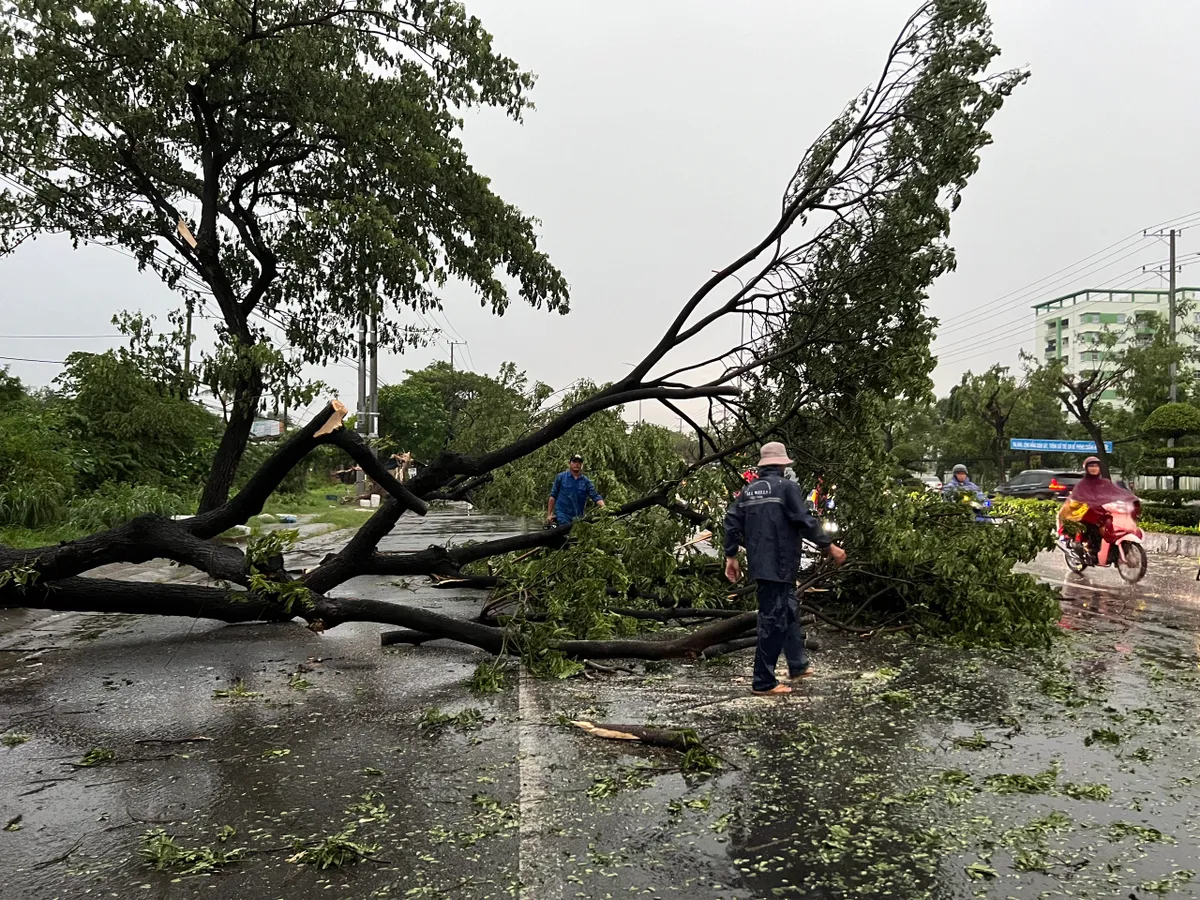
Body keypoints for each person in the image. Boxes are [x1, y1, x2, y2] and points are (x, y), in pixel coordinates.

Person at [724, 442, 846, 696]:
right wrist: (829, 546)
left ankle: (797, 665)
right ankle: (763, 682)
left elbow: (732, 520)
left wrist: (731, 555)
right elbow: (804, 520)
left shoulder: (749, 491)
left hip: (761, 563)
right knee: (773, 620)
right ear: (782, 464)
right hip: (780, 563)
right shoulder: (787, 488)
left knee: (789, 610)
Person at [1060, 456, 1136, 563]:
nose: (1094, 468)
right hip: (1088, 514)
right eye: (1091, 466)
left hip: (1103, 512)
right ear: (1086, 468)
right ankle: (1090, 550)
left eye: (1096, 466)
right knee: (1094, 529)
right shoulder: (1082, 484)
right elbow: (1078, 498)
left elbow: (1116, 492)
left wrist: (1128, 498)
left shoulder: (1105, 482)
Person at [547, 453, 605, 526]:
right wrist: (549, 514)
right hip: (563, 514)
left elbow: (595, 496)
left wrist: (604, 508)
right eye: (574, 462)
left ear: (582, 465)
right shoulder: (561, 477)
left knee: (577, 533)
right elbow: (553, 496)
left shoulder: (585, 481)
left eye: (579, 462)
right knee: (565, 529)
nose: (577, 464)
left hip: (578, 516)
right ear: (569, 463)